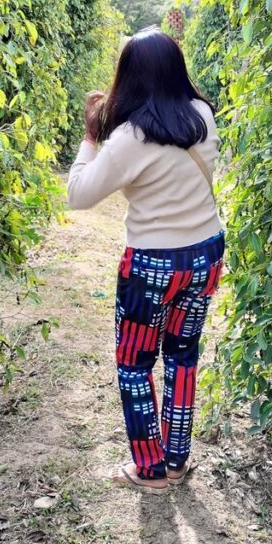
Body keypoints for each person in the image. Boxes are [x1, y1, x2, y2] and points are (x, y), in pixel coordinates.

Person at [67, 27, 225, 494]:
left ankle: (150, 469)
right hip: (204, 256)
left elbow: (78, 195)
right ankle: (177, 461)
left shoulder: (129, 139)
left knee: (135, 365)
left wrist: (91, 137)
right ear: (177, 70)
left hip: (151, 266)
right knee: (182, 358)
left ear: (128, 79)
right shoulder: (203, 115)